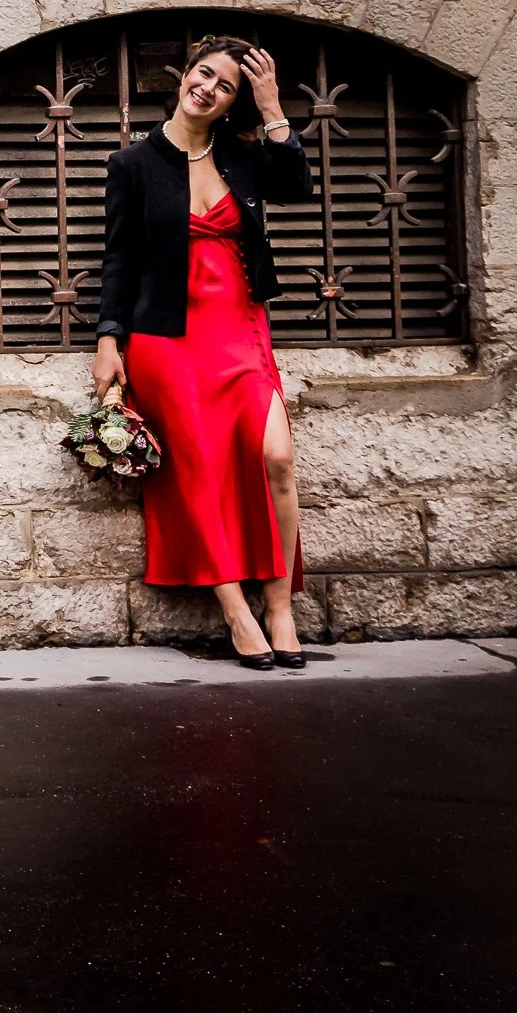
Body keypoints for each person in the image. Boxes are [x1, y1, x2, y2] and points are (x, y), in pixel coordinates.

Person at [92, 36, 313, 670]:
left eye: (226, 86)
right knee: (198, 475)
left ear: (231, 103)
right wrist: (107, 338)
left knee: (276, 459)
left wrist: (271, 107)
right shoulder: (133, 164)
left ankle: (280, 607)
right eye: (204, 73)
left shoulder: (243, 157)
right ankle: (237, 612)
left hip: (240, 330)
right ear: (185, 75)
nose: (209, 88)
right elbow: (119, 256)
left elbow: (296, 185)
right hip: (166, 339)